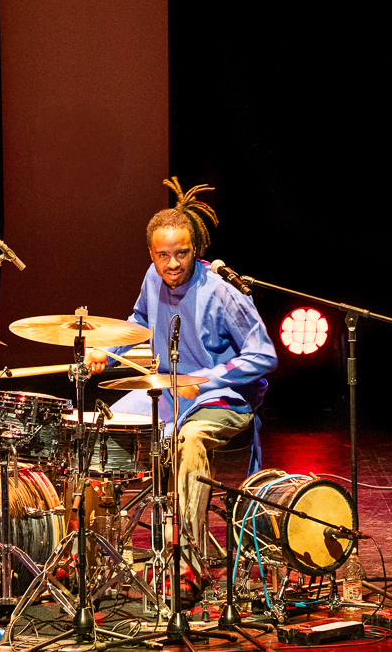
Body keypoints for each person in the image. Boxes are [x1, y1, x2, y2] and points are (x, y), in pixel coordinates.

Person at [84, 177, 277, 589]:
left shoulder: (223, 293)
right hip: (168, 392)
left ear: (196, 249)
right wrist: (106, 348)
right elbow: (140, 321)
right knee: (97, 432)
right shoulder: (152, 279)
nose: (173, 264)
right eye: (163, 255)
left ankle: (185, 565)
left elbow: (263, 355)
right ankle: (89, 559)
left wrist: (204, 379)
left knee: (188, 441)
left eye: (182, 253)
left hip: (222, 399)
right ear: (151, 255)